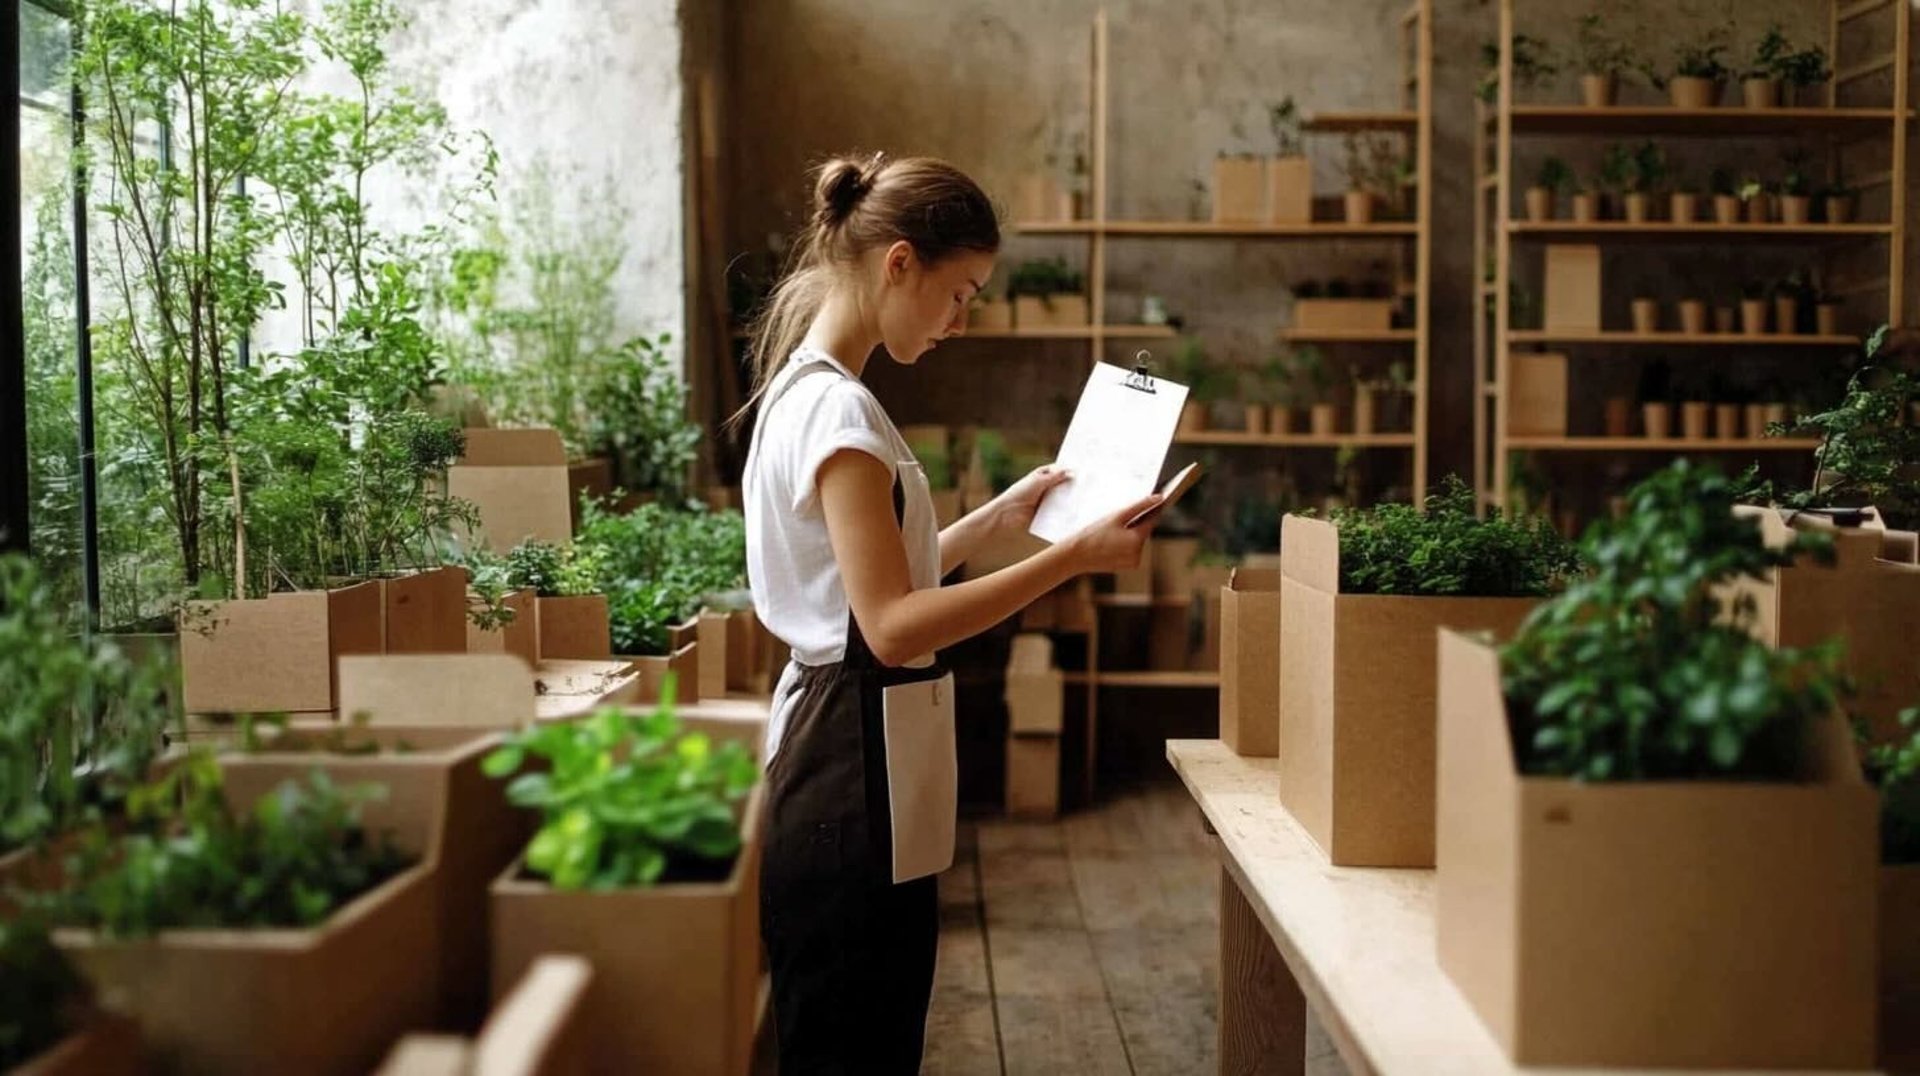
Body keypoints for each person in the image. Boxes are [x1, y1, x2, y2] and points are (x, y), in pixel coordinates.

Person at [739, 151, 1161, 1073]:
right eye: (960, 293)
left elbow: (866, 581)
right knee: (859, 1048)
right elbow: (890, 626)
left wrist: (998, 519)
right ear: (898, 264)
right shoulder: (843, 419)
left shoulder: (811, 395)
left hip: (839, 752)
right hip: (848, 773)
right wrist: (1069, 560)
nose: (960, 322)